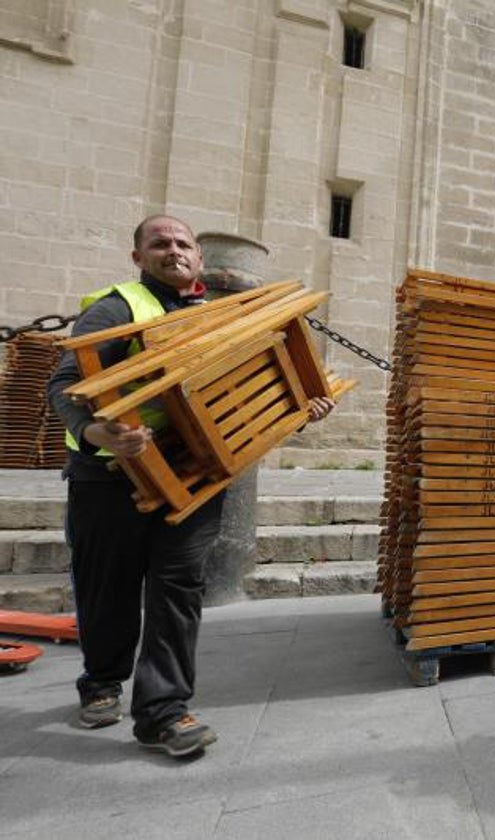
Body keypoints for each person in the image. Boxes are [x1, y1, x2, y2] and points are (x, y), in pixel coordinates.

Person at [47, 215, 335, 758]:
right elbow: (64, 385)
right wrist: (94, 428)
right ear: (138, 257)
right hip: (109, 478)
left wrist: (302, 406)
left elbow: (250, 393)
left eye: (183, 244)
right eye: (160, 243)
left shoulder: (220, 315)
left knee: (177, 592)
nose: (173, 251)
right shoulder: (118, 309)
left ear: (200, 260)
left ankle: (164, 712)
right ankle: (102, 682)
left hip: (195, 479)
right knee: (107, 588)